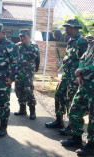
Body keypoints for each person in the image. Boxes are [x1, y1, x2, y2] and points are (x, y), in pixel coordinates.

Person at [45, 19, 88, 134]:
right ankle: (59, 121)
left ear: (73, 28)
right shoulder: (71, 40)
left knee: (71, 101)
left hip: (74, 77)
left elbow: (84, 61)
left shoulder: (82, 41)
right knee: (59, 95)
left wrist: (79, 76)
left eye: (67, 27)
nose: (66, 29)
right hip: (66, 75)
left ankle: (71, 127)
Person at [60, 24, 94, 156]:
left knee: (93, 117)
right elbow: (82, 58)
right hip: (85, 85)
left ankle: (91, 146)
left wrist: (82, 71)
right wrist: (79, 73)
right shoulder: (91, 44)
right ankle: (76, 138)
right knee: (75, 109)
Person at [13, 29, 40, 120]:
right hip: (18, 73)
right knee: (18, 91)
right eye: (20, 36)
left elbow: (36, 58)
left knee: (28, 91)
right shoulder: (17, 46)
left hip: (28, 73)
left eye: (24, 36)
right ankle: (22, 109)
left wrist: (34, 70)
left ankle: (32, 111)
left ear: (28, 35)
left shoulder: (33, 46)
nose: (22, 38)